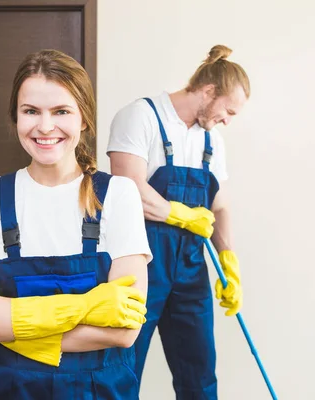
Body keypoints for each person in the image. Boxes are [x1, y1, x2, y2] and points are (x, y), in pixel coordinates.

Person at [0, 49, 152, 399]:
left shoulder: (118, 194)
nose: (44, 126)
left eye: (61, 111)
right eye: (31, 111)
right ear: (16, 117)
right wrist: (84, 308)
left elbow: (125, 329)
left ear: (83, 118)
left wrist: (4, 323)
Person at [107, 44, 249, 399]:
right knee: (121, 368)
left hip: (190, 270)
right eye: (228, 110)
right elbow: (129, 191)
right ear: (208, 91)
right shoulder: (140, 116)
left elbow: (220, 205)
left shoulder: (211, 138)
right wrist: (181, 215)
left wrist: (228, 262)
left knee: (199, 375)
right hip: (140, 265)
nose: (228, 121)